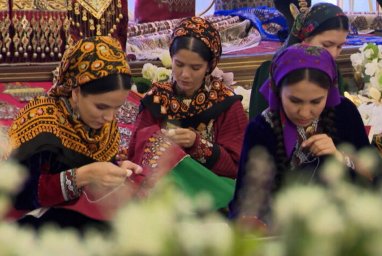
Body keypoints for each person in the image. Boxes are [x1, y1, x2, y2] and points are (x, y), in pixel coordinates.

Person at [6, 36, 142, 232]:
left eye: (117, 108)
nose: (110, 118)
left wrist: (117, 170)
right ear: (76, 93)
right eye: (101, 106)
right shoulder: (40, 122)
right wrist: (79, 177)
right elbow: (18, 194)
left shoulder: (103, 124)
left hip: (85, 214)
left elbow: (99, 165)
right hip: (41, 223)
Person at [229, 44, 375, 224]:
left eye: (316, 101)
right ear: (277, 90)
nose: (305, 112)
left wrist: (338, 156)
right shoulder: (262, 129)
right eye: (295, 100)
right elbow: (245, 203)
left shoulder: (344, 112)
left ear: (328, 93)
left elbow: (372, 178)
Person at [128, 17, 248, 209]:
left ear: (210, 66)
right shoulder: (157, 98)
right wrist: (160, 142)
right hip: (163, 191)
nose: (185, 75)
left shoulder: (225, 104)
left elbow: (236, 167)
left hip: (211, 190)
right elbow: (135, 153)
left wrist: (197, 144)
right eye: (179, 64)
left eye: (195, 67)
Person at [249, 2, 349, 119]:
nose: (333, 54)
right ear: (304, 38)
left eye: (339, 47)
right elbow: (257, 125)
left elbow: (339, 120)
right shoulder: (270, 72)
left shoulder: (332, 71)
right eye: (326, 45)